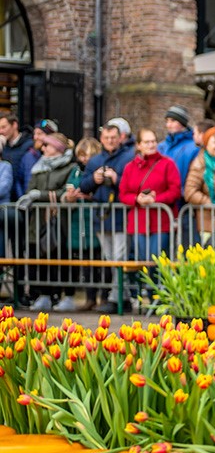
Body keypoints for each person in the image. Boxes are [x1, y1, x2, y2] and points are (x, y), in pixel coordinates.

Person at [78, 120, 136, 313]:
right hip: (101, 218)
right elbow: (83, 186)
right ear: (101, 139)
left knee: (120, 259)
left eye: (113, 138)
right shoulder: (95, 161)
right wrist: (94, 180)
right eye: (106, 138)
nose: (110, 141)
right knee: (110, 259)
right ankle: (123, 298)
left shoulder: (128, 157)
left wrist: (116, 179)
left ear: (120, 138)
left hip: (121, 217)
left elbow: (131, 186)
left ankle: (115, 298)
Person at [17, 132, 76, 311]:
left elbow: (65, 193)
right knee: (40, 256)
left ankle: (64, 295)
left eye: (47, 146)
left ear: (57, 148)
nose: (43, 149)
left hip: (59, 220)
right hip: (38, 221)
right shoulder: (39, 166)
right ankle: (43, 294)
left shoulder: (69, 167)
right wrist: (34, 195)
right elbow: (30, 188)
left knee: (60, 257)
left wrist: (39, 196)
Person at [119, 128, 181, 281]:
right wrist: (137, 199)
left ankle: (158, 298)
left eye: (153, 141)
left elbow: (175, 191)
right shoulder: (130, 167)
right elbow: (123, 193)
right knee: (142, 262)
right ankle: (144, 298)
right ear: (139, 145)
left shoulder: (167, 164)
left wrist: (155, 199)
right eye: (147, 142)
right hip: (138, 222)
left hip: (161, 222)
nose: (151, 145)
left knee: (157, 263)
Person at [58, 137, 102, 311]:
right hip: (77, 222)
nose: (84, 159)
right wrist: (68, 197)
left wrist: (91, 197)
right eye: (82, 155)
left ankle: (99, 296)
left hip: (94, 220)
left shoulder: (97, 171)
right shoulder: (75, 171)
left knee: (97, 261)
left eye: (88, 155)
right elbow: (66, 191)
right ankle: (86, 297)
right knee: (82, 261)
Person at [160, 106, 200, 185]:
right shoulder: (161, 146)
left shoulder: (194, 147)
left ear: (182, 123)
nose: (168, 125)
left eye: (173, 121)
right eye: (167, 121)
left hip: (183, 194)